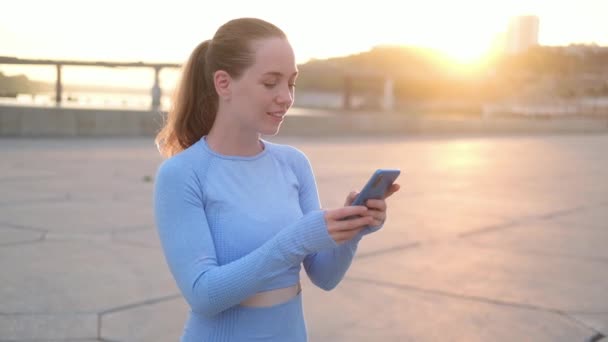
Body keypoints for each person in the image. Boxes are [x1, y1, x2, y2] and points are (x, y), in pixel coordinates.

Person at [153, 17, 400, 341]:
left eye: (291, 83)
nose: (286, 97)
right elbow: (203, 295)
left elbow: (325, 276)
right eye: (271, 83)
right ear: (223, 83)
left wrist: (352, 230)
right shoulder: (183, 174)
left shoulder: (293, 163)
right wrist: (297, 238)